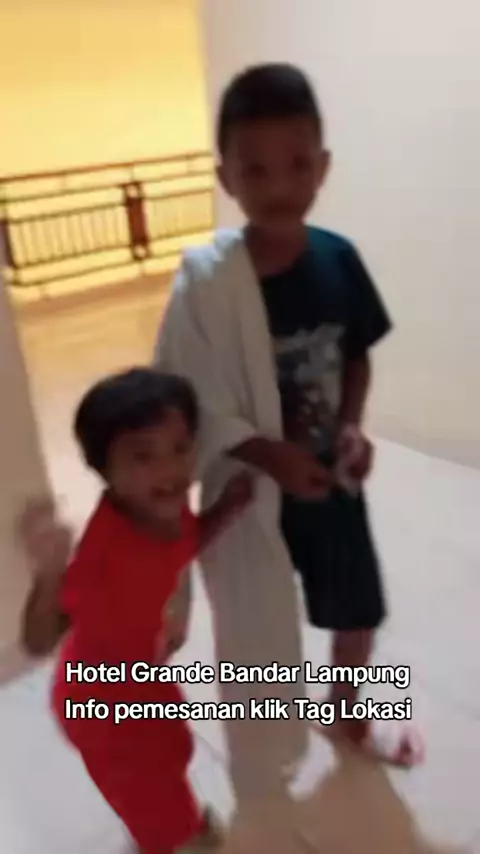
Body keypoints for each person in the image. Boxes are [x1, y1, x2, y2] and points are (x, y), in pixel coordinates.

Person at [155, 63, 423, 769]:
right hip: (251, 493)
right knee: (257, 619)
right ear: (226, 178)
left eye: (297, 165)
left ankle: (347, 714)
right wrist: (269, 456)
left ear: (322, 167)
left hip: (331, 484)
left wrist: (353, 426)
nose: (279, 187)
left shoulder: (340, 261)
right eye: (257, 170)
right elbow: (191, 394)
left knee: (357, 607)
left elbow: (356, 355)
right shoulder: (211, 286)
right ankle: (265, 742)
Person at [19, 367, 253, 854]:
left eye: (180, 448)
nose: (169, 470)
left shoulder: (166, 509)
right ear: (104, 470)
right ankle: (178, 840)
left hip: (140, 675)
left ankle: (176, 828)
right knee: (150, 791)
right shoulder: (104, 550)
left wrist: (225, 510)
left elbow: (183, 545)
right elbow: (40, 640)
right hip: (99, 701)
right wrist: (49, 574)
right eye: (143, 456)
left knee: (172, 753)